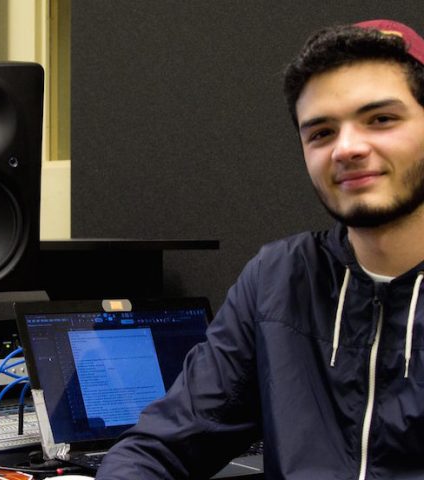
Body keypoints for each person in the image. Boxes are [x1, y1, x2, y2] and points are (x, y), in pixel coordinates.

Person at [95, 19, 424, 480]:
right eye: (322, 132)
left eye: (381, 120)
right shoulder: (280, 279)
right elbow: (156, 449)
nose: (347, 148)